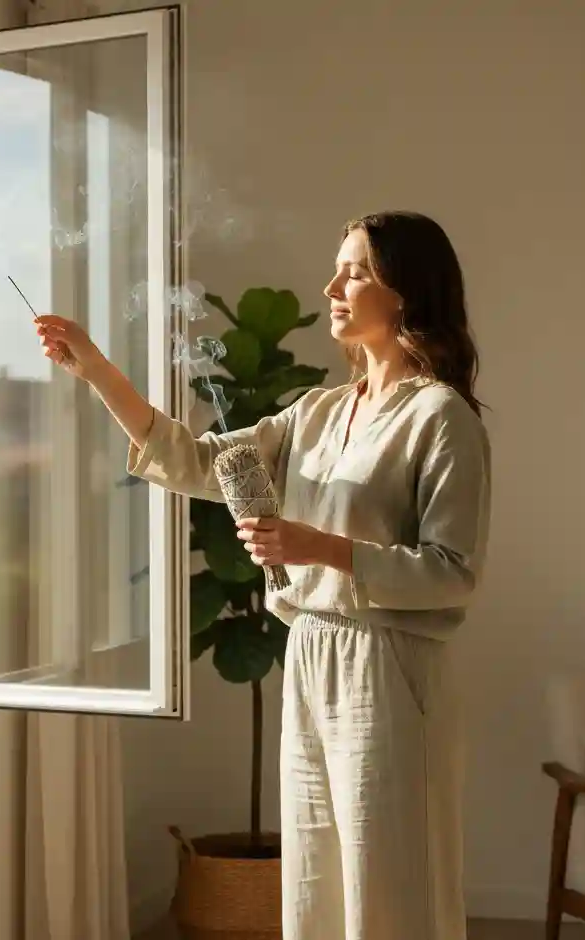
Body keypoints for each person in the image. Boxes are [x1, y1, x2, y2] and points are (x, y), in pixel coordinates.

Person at [35, 210, 491, 940]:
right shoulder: (317, 410)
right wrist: (95, 370)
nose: (333, 285)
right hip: (310, 653)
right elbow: (195, 461)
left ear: (407, 291)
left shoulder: (441, 418)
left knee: (387, 878)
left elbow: (454, 573)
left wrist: (322, 547)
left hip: (387, 665)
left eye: (357, 271)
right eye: (338, 266)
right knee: (315, 873)